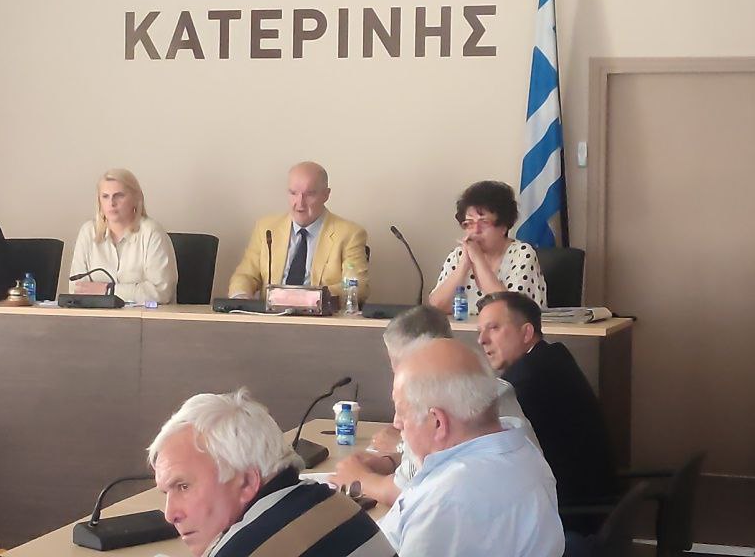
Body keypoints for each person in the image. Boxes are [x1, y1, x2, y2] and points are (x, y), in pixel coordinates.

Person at [147, 389, 396, 557]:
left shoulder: (243, 550)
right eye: (167, 492)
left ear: (246, 482)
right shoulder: (333, 503)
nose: (170, 514)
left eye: (183, 487)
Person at [331, 305, 540, 505]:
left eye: (401, 366)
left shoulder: (470, 399)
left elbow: (409, 493)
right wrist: (392, 461)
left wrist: (359, 478)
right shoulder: (485, 384)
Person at [376, 339, 564, 557]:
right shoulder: (522, 449)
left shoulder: (445, 501)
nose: (396, 423)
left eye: (401, 411)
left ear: (437, 422)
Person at [475, 291, 618, 516]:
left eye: (493, 328)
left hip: (571, 513)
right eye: (480, 331)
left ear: (526, 333)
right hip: (594, 503)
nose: (482, 339)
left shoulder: (527, 380)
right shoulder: (553, 355)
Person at [227, 162, 369, 301]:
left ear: (326, 195)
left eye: (309, 194)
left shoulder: (350, 234)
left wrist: (308, 297)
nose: (299, 203)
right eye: (293, 193)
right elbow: (245, 275)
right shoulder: (266, 228)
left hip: (320, 313)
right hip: (272, 313)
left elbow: (358, 286)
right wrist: (240, 297)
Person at [428, 180, 547, 314]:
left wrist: (478, 260)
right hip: (463, 328)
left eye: (484, 222)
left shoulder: (522, 254)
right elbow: (436, 307)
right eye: (469, 223)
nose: (476, 230)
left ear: (503, 226)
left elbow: (509, 311)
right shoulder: (458, 255)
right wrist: (464, 265)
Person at [69, 168, 177, 304]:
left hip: (144, 317)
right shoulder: (88, 232)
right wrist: (132, 292)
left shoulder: (152, 232)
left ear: (135, 198)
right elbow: (76, 289)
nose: (111, 203)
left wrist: (108, 290)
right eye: (105, 196)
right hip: (96, 316)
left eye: (119, 195)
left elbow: (160, 293)